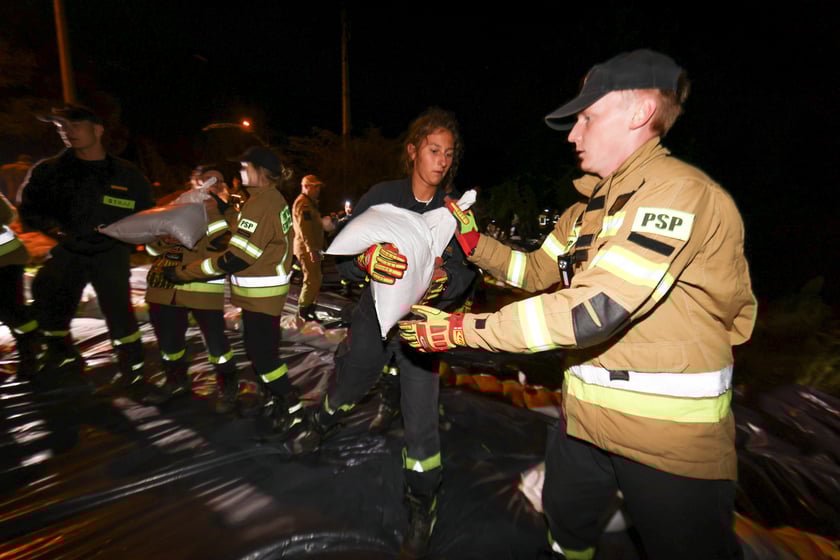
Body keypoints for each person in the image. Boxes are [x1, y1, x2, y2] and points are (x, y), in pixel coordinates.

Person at [399, 49, 756, 560]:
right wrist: (476, 243)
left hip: (668, 442)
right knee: (565, 522)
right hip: (585, 421)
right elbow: (536, 273)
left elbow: (595, 310)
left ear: (638, 114)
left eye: (587, 116)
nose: (573, 133)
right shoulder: (584, 213)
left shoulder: (678, 194)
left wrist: (457, 329)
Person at [289, 107, 478, 559]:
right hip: (373, 318)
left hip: (422, 326)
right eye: (433, 150)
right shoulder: (383, 196)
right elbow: (345, 258)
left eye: (449, 154)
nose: (442, 161)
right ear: (413, 151)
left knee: (422, 418)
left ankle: (421, 502)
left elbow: (468, 270)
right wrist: (366, 263)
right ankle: (322, 422)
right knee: (353, 377)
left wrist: (443, 282)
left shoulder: (456, 211)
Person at [17, 104, 157, 392]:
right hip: (68, 251)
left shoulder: (126, 175)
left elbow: (147, 214)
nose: (67, 133)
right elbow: (29, 210)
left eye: (74, 126)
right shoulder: (50, 171)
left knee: (118, 311)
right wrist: (56, 232)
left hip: (111, 254)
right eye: (61, 128)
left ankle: (132, 366)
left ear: (97, 130)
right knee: (54, 306)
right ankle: (61, 356)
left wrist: (134, 237)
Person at [163, 146, 302, 431]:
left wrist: (184, 272)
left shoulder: (261, 204)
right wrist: (226, 209)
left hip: (261, 297)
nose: (238, 173)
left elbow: (235, 258)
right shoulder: (266, 199)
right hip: (263, 294)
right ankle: (276, 399)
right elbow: (248, 230)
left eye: (243, 167)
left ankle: (292, 409)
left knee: (263, 357)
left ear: (259, 170)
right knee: (263, 352)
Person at [143, 165, 241, 410]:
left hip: (202, 287)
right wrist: (162, 238)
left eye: (219, 182)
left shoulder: (229, 213)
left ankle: (228, 387)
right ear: (194, 183)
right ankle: (176, 381)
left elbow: (227, 244)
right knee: (168, 342)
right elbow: (151, 248)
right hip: (165, 285)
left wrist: (212, 211)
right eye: (207, 180)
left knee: (216, 343)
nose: (214, 185)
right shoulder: (176, 207)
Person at [0, 192, 42, 378]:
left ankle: (32, 350)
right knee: (11, 308)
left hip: (6, 259)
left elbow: (8, 215)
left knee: (10, 309)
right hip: (9, 256)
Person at [292, 174, 325, 322]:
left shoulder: (310, 203)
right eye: (315, 186)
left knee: (316, 278)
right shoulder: (303, 204)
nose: (318, 189)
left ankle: (309, 309)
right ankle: (304, 311)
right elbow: (305, 229)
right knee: (311, 279)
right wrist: (311, 249)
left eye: (318, 186)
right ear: (306, 187)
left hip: (312, 247)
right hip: (307, 248)